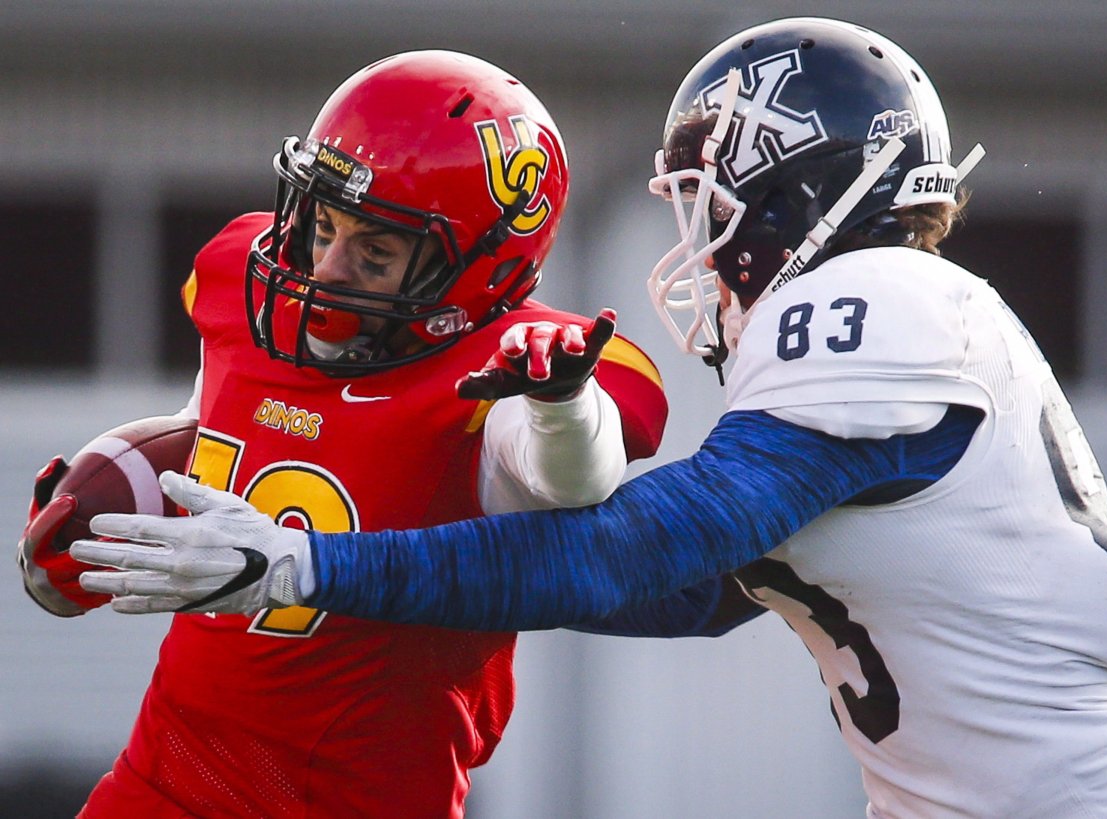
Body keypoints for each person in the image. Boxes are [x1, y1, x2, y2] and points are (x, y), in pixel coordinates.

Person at [72, 18, 1107, 819]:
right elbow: (690, 599)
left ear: (790, 198)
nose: (697, 245)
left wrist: (310, 567)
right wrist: (406, 541)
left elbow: (632, 549)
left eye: (709, 207)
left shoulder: (881, 303)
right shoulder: (893, 328)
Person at [18, 50, 668, 818]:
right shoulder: (242, 284)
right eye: (324, 223)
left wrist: (560, 399)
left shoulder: (501, 370)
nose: (325, 267)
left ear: (475, 271)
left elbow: (574, 479)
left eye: (376, 250)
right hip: (161, 781)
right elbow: (210, 434)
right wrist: (105, 521)